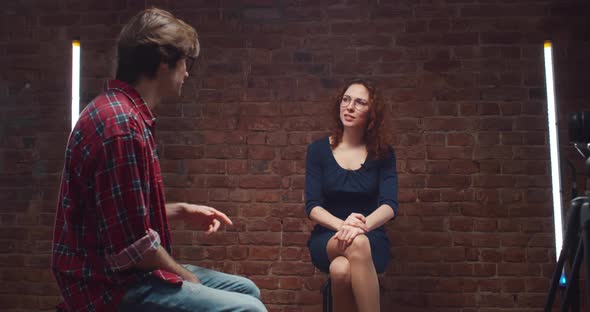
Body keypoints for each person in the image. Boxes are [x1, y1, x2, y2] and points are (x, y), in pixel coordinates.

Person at [51, 8, 266, 312]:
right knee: (250, 309)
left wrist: (179, 211)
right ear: (164, 63)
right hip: (107, 285)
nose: (187, 73)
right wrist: (186, 277)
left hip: (122, 272)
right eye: (185, 63)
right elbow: (134, 248)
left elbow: (117, 217)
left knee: (247, 289)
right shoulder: (121, 126)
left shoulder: (122, 112)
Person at [305, 78, 398, 312]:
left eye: (359, 102)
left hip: (370, 234)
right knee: (355, 244)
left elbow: (389, 206)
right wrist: (344, 225)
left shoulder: (383, 153)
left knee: (340, 270)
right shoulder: (318, 150)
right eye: (346, 100)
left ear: (372, 113)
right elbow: (313, 207)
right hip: (328, 236)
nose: (349, 107)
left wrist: (361, 227)